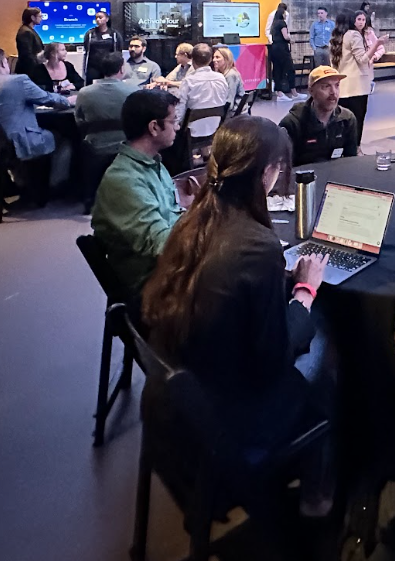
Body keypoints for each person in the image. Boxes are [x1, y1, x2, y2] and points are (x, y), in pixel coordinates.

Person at [140, 116, 334, 517]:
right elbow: (271, 358)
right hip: (232, 417)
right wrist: (305, 290)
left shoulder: (193, 220)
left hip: (179, 407)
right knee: (328, 351)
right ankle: (317, 491)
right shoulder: (256, 245)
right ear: (266, 172)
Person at [90, 88, 183, 296]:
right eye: (172, 121)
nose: (177, 127)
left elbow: (174, 215)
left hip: (166, 270)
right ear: (154, 127)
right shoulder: (123, 180)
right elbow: (162, 245)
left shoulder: (153, 163)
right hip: (152, 285)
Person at [0, 46, 72, 201]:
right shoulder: (17, 81)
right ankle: (54, 189)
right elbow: (52, 100)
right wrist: (70, 100)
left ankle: (23, 182)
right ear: (4, 63)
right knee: (64, 139)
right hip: (10, 147)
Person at [280, 64, 360, 164]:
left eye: (337, 85)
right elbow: (283, 167)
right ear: (311, 91)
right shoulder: (292, 124)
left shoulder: (347, 119)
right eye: (326, 86)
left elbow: (350, 161)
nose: (333, 92)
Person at [75, 48, 139, 157]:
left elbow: (79, 122)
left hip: (94, 149)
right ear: (122, 69)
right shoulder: (134, 92)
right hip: (126, 150)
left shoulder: (84, 93)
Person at [332, 10, 373, 134]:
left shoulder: (336, 38)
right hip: (356, 86)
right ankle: (356, 148)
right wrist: (377, 45)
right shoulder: (353, 35)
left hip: (342, 86)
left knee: (342, 121)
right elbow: (362, 59)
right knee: (357, 120)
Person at [178, 42, 230, 140]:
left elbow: (180, 110)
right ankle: (205, 152)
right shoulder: (221, 78)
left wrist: (175, 126)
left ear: (192, 60)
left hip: (191, 132)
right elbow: (225, 99)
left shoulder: (188, 81)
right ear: (210, 59)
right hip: (215, 127)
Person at [267, 2, 298, 100]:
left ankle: (279, 93)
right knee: (290, 69)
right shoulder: (282, 23)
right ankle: (294, 92)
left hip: (274, 48)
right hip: (282, 49)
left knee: (277, 70)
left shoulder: (274, 23)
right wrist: (290, 39)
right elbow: (285, 36)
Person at [83, 10, 123, 81]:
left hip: (109, 66)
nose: (98, 19)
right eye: (96, 18)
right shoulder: (89, 34)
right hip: (93, 67)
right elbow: (86, 49)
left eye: (100, 17)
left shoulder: (114, 34)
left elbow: (119, 50)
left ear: (107, 19)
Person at [211, 45, 246, 110]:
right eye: (214, 57)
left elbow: (229, 103)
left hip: (235, 113)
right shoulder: (221, 73)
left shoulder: (231, 75)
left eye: (217, 57)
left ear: (226, 59)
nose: (214, 60)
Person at [14, 7, 45, 75]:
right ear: (32, 17)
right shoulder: (26, 32)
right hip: (29, 71)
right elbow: (27, 55)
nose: (41, 18)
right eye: (40, 16)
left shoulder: (29, 30)